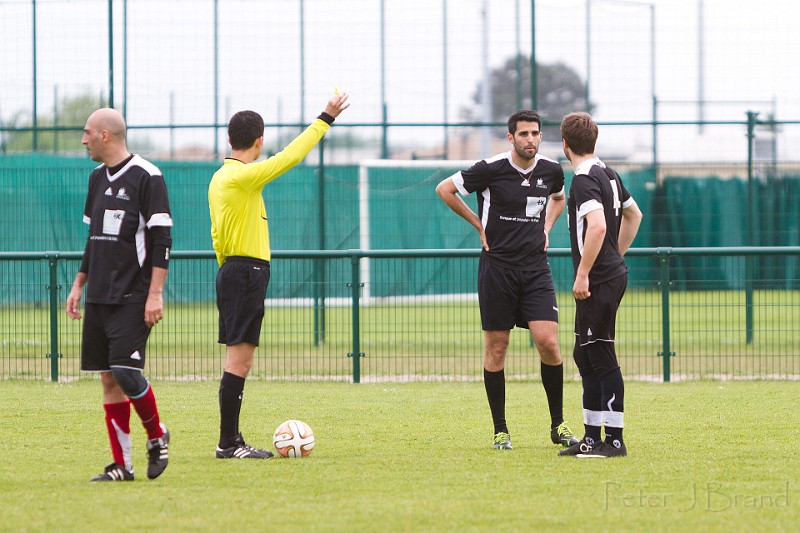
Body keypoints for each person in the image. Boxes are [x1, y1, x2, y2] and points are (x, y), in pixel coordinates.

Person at [209, 92, 350, 459]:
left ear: (228, 138)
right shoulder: (244, 177)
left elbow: (216, 235)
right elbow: (291, 156)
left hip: (230, 269)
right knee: (239, 361)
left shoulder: (219, 178)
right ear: (259, 140)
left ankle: (230, 439)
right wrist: (325, 118)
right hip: (245, 272)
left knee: (237, 359)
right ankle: (229, 443)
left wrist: (230, 268)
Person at [435, 109, 579, 450]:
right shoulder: (490, 169)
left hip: (535, 269)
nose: (530, 139)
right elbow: (445, 190)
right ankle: (501, 430)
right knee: (497, 347)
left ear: (541, 137)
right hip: (497, 269)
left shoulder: (551, 170)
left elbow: (559, 200)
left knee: (549, 342)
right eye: (523, 134)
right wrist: (478, 224)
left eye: (535, 133)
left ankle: (558, 425)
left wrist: (546, 227)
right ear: (510, 137)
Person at [66, 108, 172, 481]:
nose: (83, 140)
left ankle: (157, 436)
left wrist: (155, 294)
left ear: (105, 136)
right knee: (108, 379)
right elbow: (94, 240)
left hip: (134, 295)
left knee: (127, 372)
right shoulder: (96, 178)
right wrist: (79, 284)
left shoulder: (148, 176)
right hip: (99, 296)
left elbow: (161, 240)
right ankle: (122, 466)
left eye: (87, 133)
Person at [558, 112, 643, 458]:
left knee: (601, 353)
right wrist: (615, 254)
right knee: (584, 352)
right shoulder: (608, 173)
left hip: (598, 280)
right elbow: (634, 214)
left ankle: (616, 440)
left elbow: (596, 227)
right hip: (608, 273)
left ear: (565, 145)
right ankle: (592, 436)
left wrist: (585, 272)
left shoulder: (582, 179)